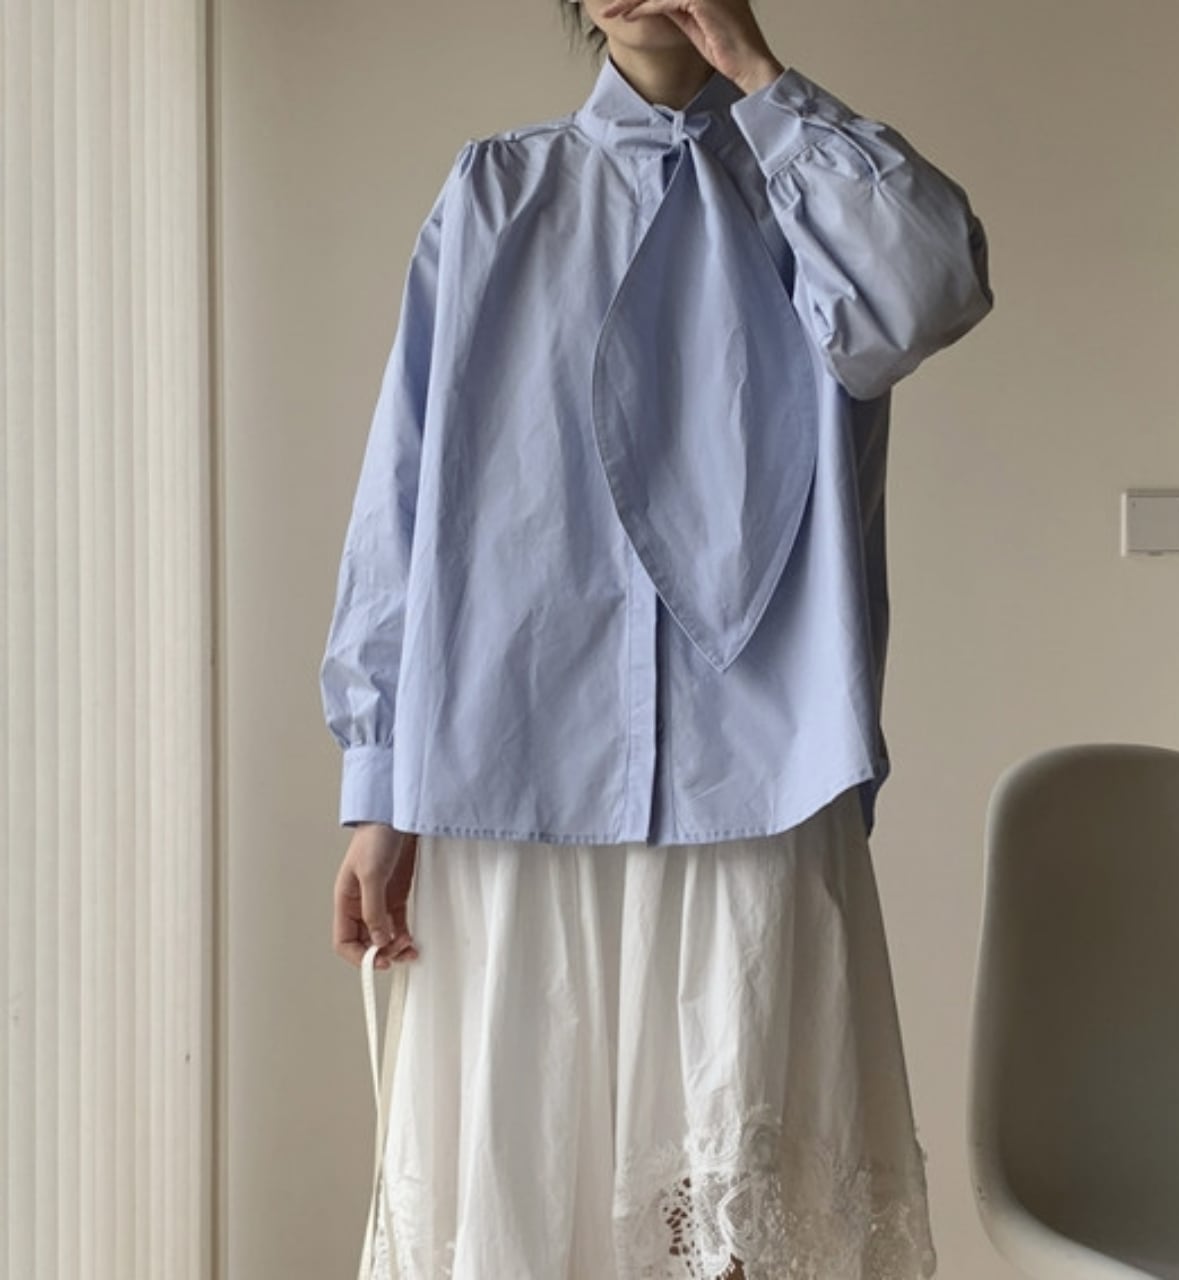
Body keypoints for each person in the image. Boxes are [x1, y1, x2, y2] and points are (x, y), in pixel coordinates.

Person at [321, 0, 992, 1276]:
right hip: (508, 768)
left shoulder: (809, 185)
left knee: (740, 1199)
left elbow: (927, 293)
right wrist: (377, 780)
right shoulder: (496, 189)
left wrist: (757, 76)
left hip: (762, 764)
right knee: (526, 1185)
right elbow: (399, 497)